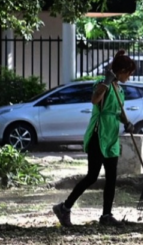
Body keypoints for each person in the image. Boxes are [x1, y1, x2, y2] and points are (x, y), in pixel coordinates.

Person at [53, 50, 137, 227]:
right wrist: (106, 81)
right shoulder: (102, 85)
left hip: (112, 138)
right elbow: (94, 99)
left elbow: (117, 112)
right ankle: (64, 207)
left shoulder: (120, 90)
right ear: (120, 71)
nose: (129, 77)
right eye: (128, 73)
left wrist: (127, 123)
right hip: (98, 135)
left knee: (112, 178)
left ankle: (106, 215)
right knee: (92, 176)